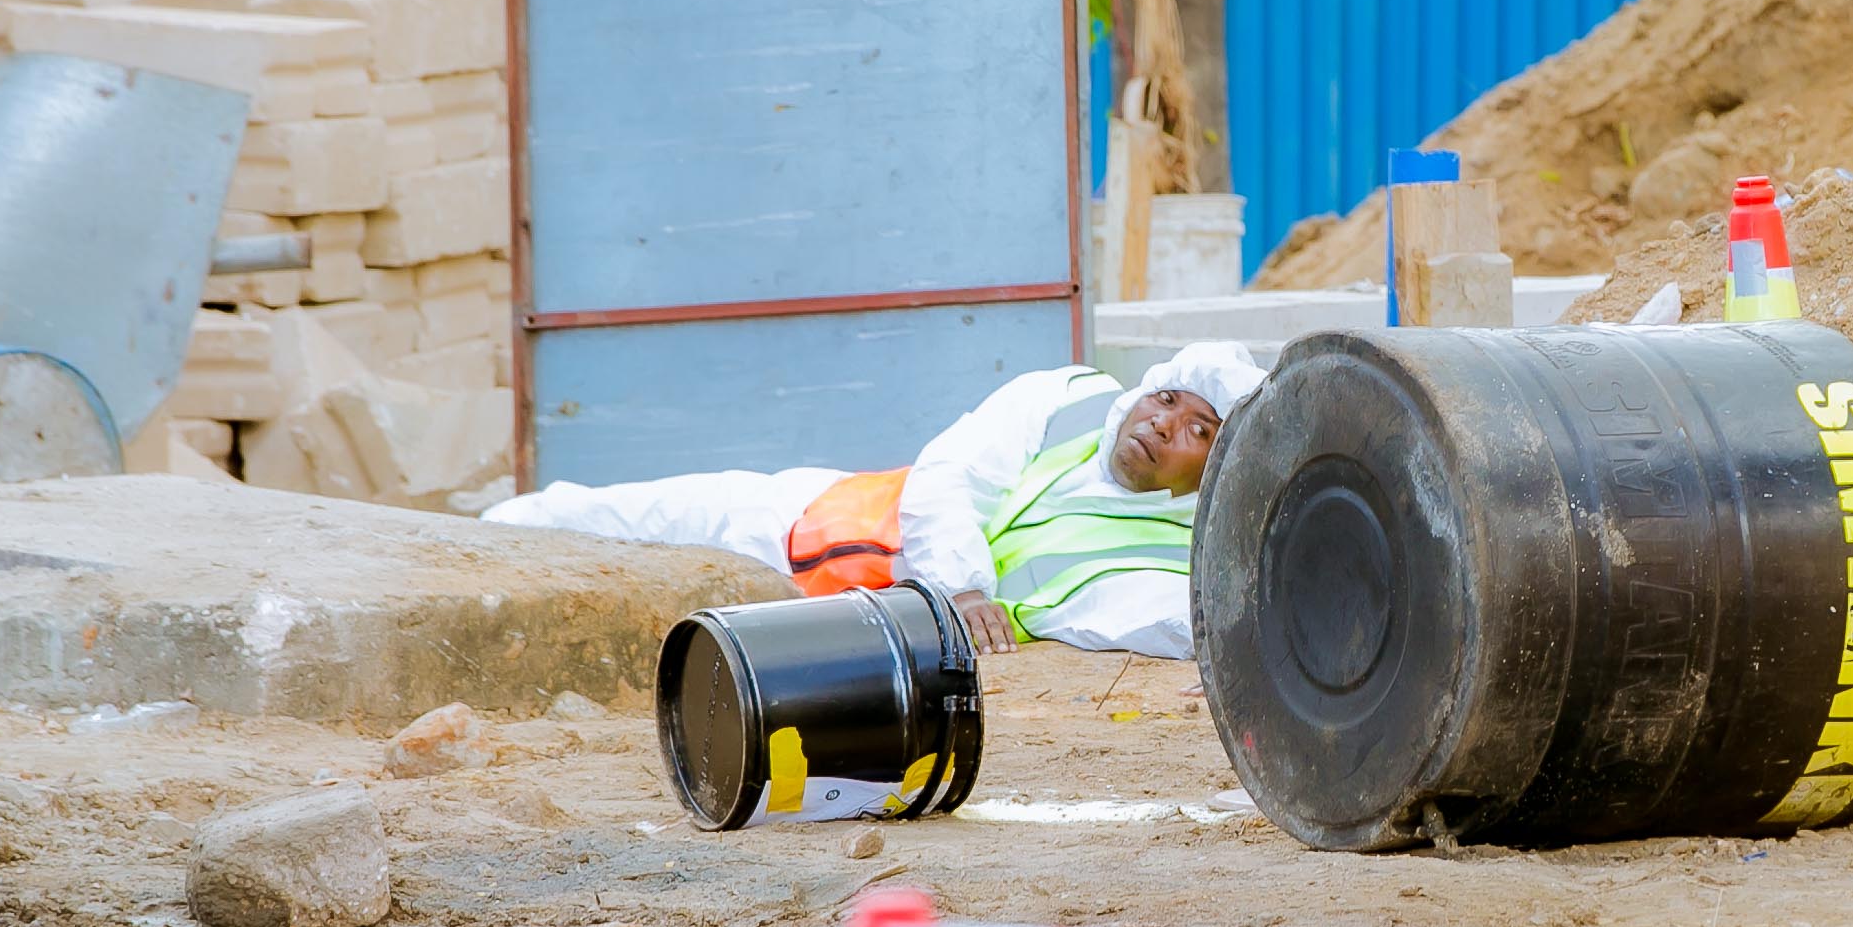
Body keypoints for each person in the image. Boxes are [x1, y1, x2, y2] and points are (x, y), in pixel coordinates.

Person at [485, 343, 1271, 659]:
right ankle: (474, 540)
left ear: (1213, 471)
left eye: (1199, 430)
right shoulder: (1066, 396)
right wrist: (963, 587)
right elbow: (946, 476)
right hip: (801, 518)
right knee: (609, 518)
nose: (1164, 425)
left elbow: (1189, 625)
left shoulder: (1153, 560)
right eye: (1166, 399)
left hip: (825, 623)